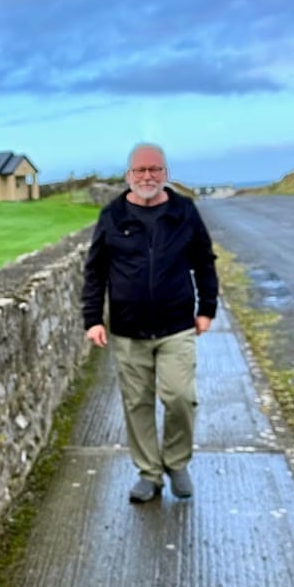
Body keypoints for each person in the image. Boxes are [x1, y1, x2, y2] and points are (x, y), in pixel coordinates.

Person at [82, 143, 218, 503]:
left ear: (165, 173)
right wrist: (92, 319)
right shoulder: (112, 215)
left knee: (180, 397)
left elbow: (204, 261)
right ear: (129, 175)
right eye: (140, 170)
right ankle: (149, 474)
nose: (147, 176)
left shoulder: (183, 211)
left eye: (154, 169)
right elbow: (95, 271)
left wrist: (207, 308)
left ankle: (177, 462)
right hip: (128, 330)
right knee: (137, 404)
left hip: (177, 325)